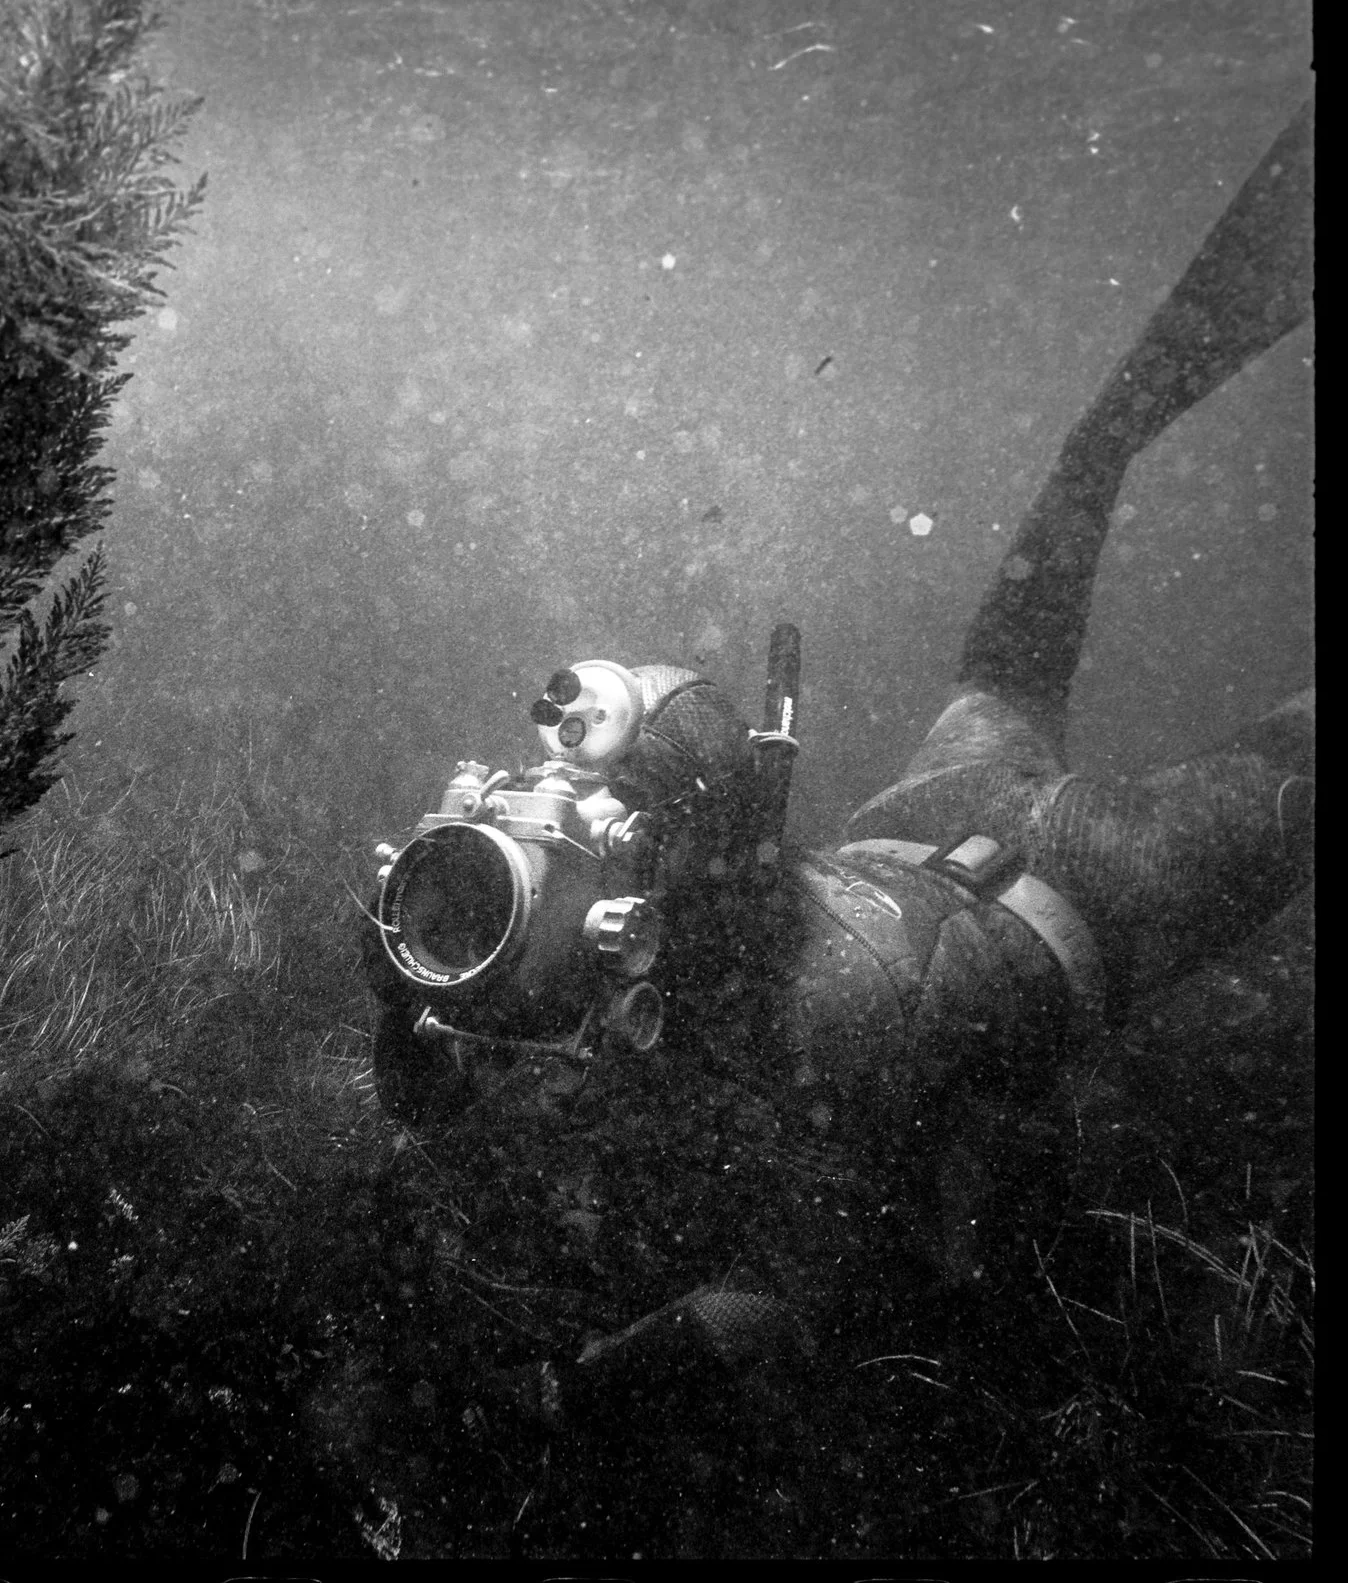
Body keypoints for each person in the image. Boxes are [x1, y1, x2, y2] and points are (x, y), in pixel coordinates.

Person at [357, 101, 1313, 1434]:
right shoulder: (644, 949)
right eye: (461, 913)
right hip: (921, 815)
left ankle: (1118, 434)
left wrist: (574, 1398)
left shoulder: (792, 1020)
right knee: (1022, 643)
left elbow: (781, 1295)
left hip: (1089, 890)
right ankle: (1108, 438)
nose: (469, 935)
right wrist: (401, 985)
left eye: (481, 911)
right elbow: (443, 1099)